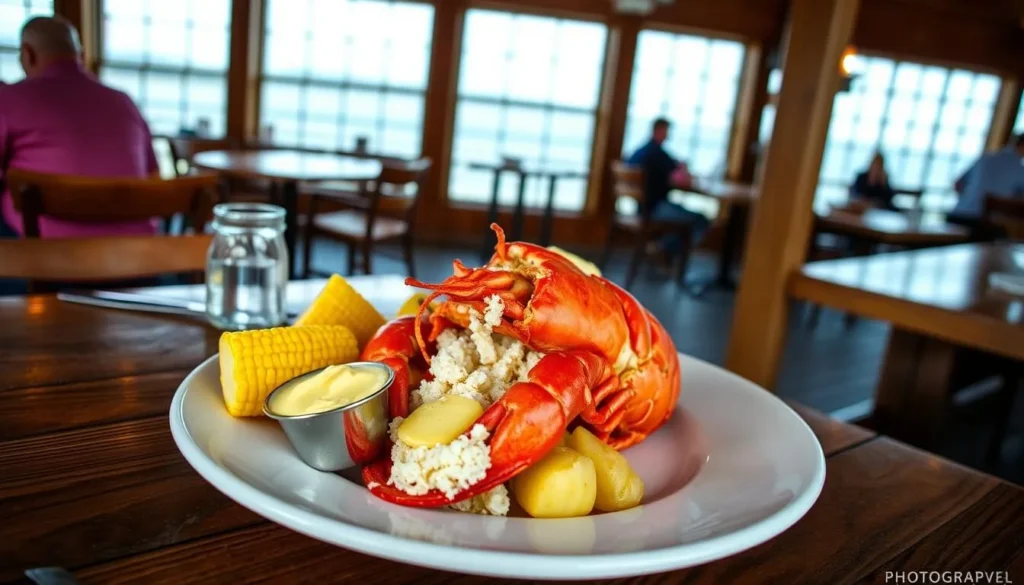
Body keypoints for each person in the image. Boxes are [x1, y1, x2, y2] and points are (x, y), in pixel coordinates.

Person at [0, 16, 160, 239]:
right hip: (134, 250)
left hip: (43, 252)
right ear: (81, 56)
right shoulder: (125, 103)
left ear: (28, 54)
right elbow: (153, 176)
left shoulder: (9, 99)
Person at [626, 118, 711, 264]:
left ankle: (660, 248)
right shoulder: (658, 154)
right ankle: (664, 250)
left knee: (683, 215)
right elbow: (681, 177)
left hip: (641, 208)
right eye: (666, 131)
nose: (668, 135)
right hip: (654, 209)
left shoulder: (639, 151)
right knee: (700, 220)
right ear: (658, 130)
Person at [948, 134, 1024, 240]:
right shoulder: (1020, 170)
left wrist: (969, 200)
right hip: (982, 224)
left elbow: (958, 184)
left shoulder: (986, 158)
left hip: (957, 215)